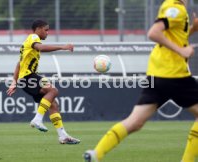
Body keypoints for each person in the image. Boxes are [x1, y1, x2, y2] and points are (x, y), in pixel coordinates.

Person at [84, 0, 198, 161]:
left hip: (157, 74)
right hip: (174, 75)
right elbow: (153, 33)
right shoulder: (175, 9)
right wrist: (182, 50)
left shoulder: (172, 7)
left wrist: (192, 29)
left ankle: (96, 154)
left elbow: (172, 37)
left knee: (135, 122)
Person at [7, 19, 80, 145]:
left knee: (53, 104)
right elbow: (40, 47)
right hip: (29, 77)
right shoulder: (33, 37)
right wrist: (62, 47)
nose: (47, 33)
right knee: (53, 90)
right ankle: (38, 119)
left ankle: (63, 136)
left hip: (27, 78)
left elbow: (19, 64)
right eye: (46, 30)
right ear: (38, 29)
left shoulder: (27, 44)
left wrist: (14, 82)